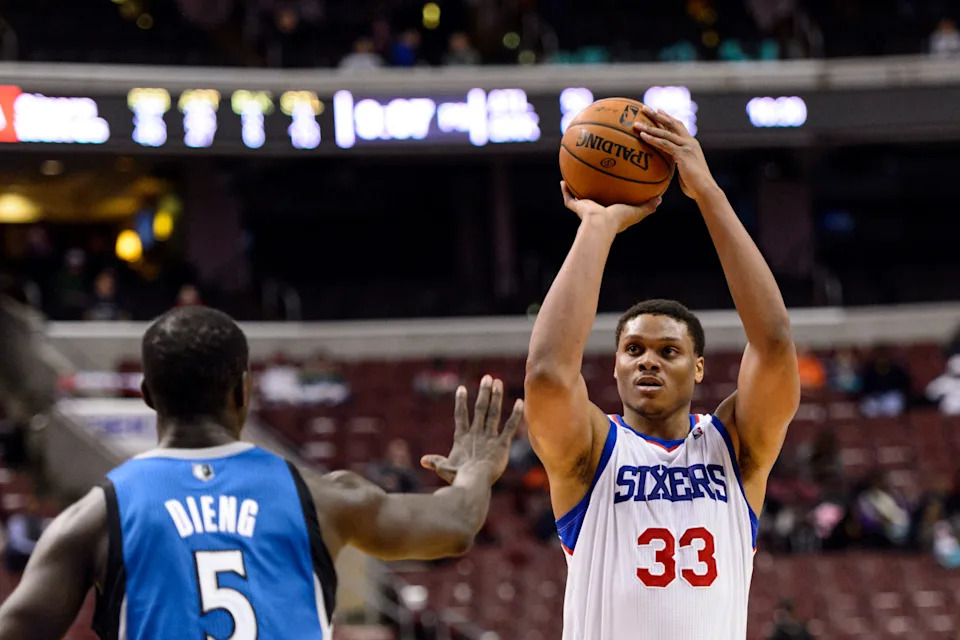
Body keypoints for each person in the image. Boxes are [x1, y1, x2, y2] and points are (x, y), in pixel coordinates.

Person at [0, 306, 523, 639]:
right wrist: (477, 470)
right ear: (243, 391)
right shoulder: (319, 497)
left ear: (147, 396)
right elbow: (454, 528)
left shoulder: (98, 515)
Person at [524, 104, 799, 639]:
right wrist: (598, 228)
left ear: (699, 368)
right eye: (633, 349)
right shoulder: (589, 454)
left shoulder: (736, 449)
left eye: (668, 351)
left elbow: (774, 344)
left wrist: (709, 196)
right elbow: (548, 376)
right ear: (616, 365)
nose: (647, 359)